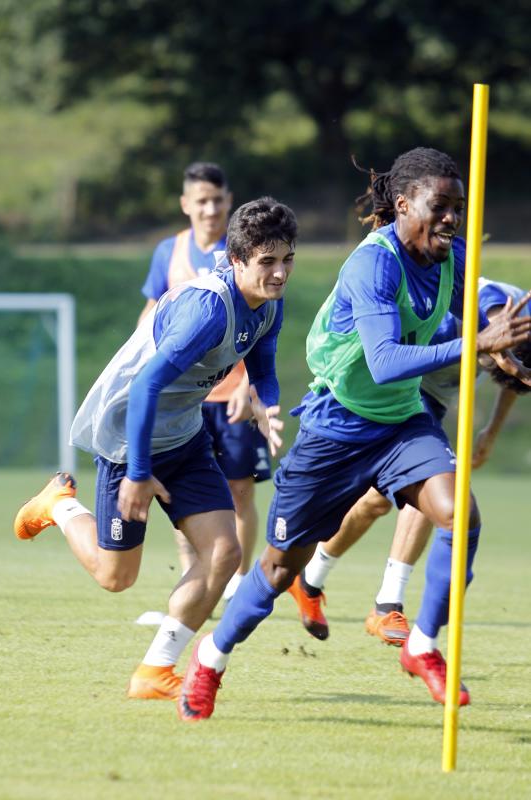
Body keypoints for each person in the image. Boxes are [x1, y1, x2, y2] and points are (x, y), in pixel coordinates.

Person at [177, 147, 531, 721]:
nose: (451, 218)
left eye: (458, 208)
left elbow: (484, 320)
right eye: (440, 206)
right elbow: (387, 360)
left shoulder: (452, 259)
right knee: (276, 571)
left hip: (401, 423)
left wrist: (505, 344)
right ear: (402, 204)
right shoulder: (376, 263)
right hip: (335, 427)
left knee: (459, 516)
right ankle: (210, 659)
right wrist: (478, 345)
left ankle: (421, 647)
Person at [13, 197, 297, 702]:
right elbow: (145, 387)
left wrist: (265, 403)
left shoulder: (269, 306)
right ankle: (60, 505)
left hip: (183, 437)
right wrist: (139, 473)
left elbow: (266, 369)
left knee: (225, 552)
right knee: (115, 576)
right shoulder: (208, 310)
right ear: (237, 261)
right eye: (266, 262)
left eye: (286, 260)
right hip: (130, 438)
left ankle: (155, 669)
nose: (279, 274)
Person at [288, 276, 531, 645]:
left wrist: (491, 432)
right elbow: (484, 307)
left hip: (431, 397)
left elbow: (514, 378)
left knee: (375, 503)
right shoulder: (488, 301)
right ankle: (386, 605)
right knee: (429, 480)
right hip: (397, 386)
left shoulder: (520, 333)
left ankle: (309, 580)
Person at [139, 162, 271, 603]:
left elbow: (257, 328)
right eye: (201, 200)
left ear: (229, 200)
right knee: (183, 494)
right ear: (185, 205)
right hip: (184, 399)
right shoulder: (168, 252)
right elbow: (154, 313)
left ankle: (236, 583)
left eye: (217, 199)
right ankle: (196, 578)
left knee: (238, 489)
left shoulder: (244, 252)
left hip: (230, 395)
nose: (211, 208)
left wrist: (248, 389)